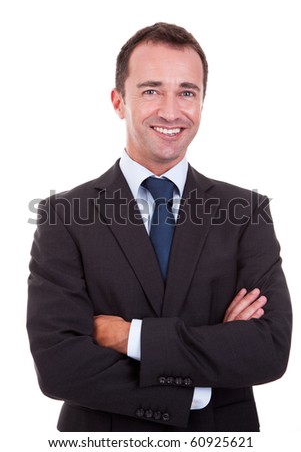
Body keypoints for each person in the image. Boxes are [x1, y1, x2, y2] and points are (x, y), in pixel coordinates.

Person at [27, 22, 292, 432]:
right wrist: (199, 386)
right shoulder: (64, 215)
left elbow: (268, 351)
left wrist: (130, 338)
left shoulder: (245, 211)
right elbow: (60, 366)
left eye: (187, 92)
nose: (171, 111)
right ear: (119, 102)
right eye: (151, 90)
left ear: (202, 102)